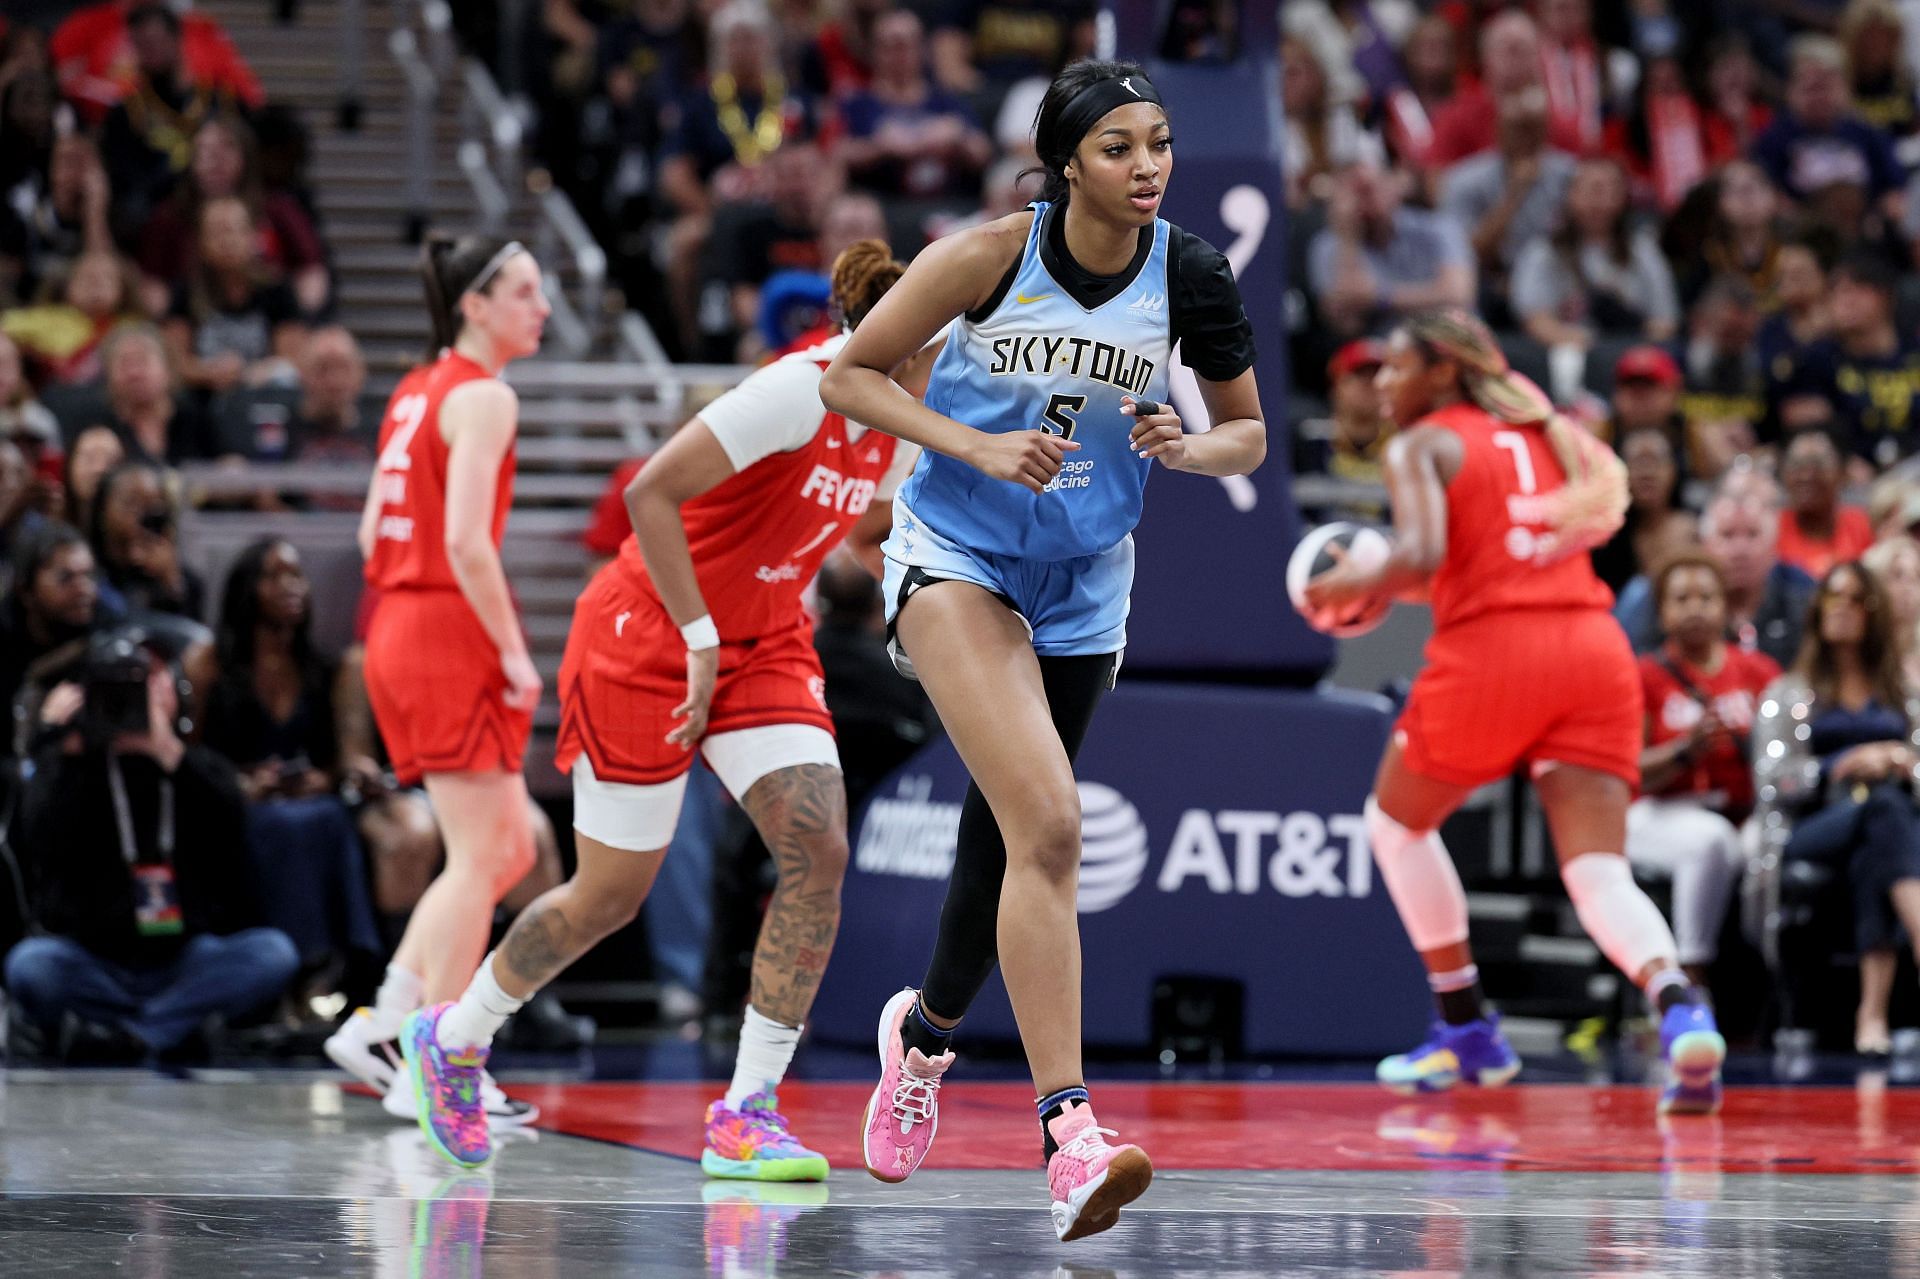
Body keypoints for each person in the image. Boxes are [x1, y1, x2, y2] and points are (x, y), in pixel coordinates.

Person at [820, 59, 1265, 1239]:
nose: (1148, 167)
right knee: (1054, 824)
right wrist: (967, 442)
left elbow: (1251, 437)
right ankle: (1071, 1135)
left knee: (1010, 831)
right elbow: (849, 376)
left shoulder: (1193, 274)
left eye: (1160, 144)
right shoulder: (987, 256)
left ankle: (919, 1043)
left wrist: (1185, 447)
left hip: (1087, 582)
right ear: (1069, 162)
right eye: (1120, 147)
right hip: (956, 558)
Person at [412, 240, 926, 1176]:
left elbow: (863, 531)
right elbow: (652, 491)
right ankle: (454, 1036)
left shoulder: (902, 411)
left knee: (818, 845)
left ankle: (746, 1110)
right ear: (907, 335)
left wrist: (940, 597)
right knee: (608, 896)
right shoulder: (800, 387)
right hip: (649, 632)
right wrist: (695, 637)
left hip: (766, 636)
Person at [1301, 308, 1726, 1115]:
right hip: (1594, 650)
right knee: (1598, 869)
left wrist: (1357, 585)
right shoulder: (1544, 432)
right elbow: (1463, 566)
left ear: (1444, 372)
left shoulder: (1422, 443)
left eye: (1395, 366)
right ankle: (1679, 1008)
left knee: (1394, 824)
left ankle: (1465, 1026)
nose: (1384, 383)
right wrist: (1392, 581)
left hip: (1498, 655)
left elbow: (1422, 557)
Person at [321, 235, 549, 1135]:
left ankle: (386, 1022)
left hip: (397, 624)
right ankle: (438, 1054)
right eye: (525, 292)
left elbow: (375, 532)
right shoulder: (485, 394)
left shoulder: (415, 389)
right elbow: (463, 540)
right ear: (476, 304)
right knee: (491, 853)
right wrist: (512, 650)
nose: (541, 307)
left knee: (496, 851)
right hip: (445, 625)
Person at [3, 629, 297, 1061]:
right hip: (93, 958)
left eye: (150, 682)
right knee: (30, 964)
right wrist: (54, 741)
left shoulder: (195, 765)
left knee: (273, 953)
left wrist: (167, 752)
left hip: (184, 959)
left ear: (175, 692)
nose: (134, 699)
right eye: (120, 688)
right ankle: (171, 1025)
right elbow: (36, 837)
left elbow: (234, 823)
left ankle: (133, 1033)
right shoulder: (69, 767)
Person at [203, 538, 383, 1002]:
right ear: (245, 589)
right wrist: (240, 782)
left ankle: (344, 968)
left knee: (327, 817)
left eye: (297, 575)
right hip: (239, 806)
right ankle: (290, 977)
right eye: (274, 575)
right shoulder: (210, 665)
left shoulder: (322, 668)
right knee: (287, 824)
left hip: (308, 803)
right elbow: (193, 756)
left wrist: (327, 777)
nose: (291, 587)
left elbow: (340, 756)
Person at [1756, 561, 1920, 1056]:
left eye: (1855, 599)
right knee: (1881, 812)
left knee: (1881, 832)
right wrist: (1841, 765)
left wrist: (1900, 761)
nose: (1843, 610)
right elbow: (1772, 780)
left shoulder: (1903, 692)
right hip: (1813, 824)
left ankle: (1871, 1013)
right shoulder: (1789, 693)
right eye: (1833, 598)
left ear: (1874, 611)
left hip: (1888, 827)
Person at [1630, 552, 1780, 991]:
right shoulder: (1645, 675)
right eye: (1681, 598)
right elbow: (1628, 770)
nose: (1695, 607)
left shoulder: (1758, 671)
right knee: (1709, 841)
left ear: (1725, 606)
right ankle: (1689, 977)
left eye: (1706, 597)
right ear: (1662, 611)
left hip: (1741, 809)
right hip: (1657, 811)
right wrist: (1683, 752)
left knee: (1767, 844)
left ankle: (1766, 980)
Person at [1589, 424, 1695, 595]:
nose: (1647, 472)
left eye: (1656, 460)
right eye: (1637, 462)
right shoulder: (1604, 536)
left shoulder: (1694, 530)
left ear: (1674, 470)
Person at [1776, 428, 1874, 579]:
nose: (1806, 475)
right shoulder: (1771, 530)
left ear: (1842, 473)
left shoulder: (1862, 526)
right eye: (1796, 465)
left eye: (1818, 465)